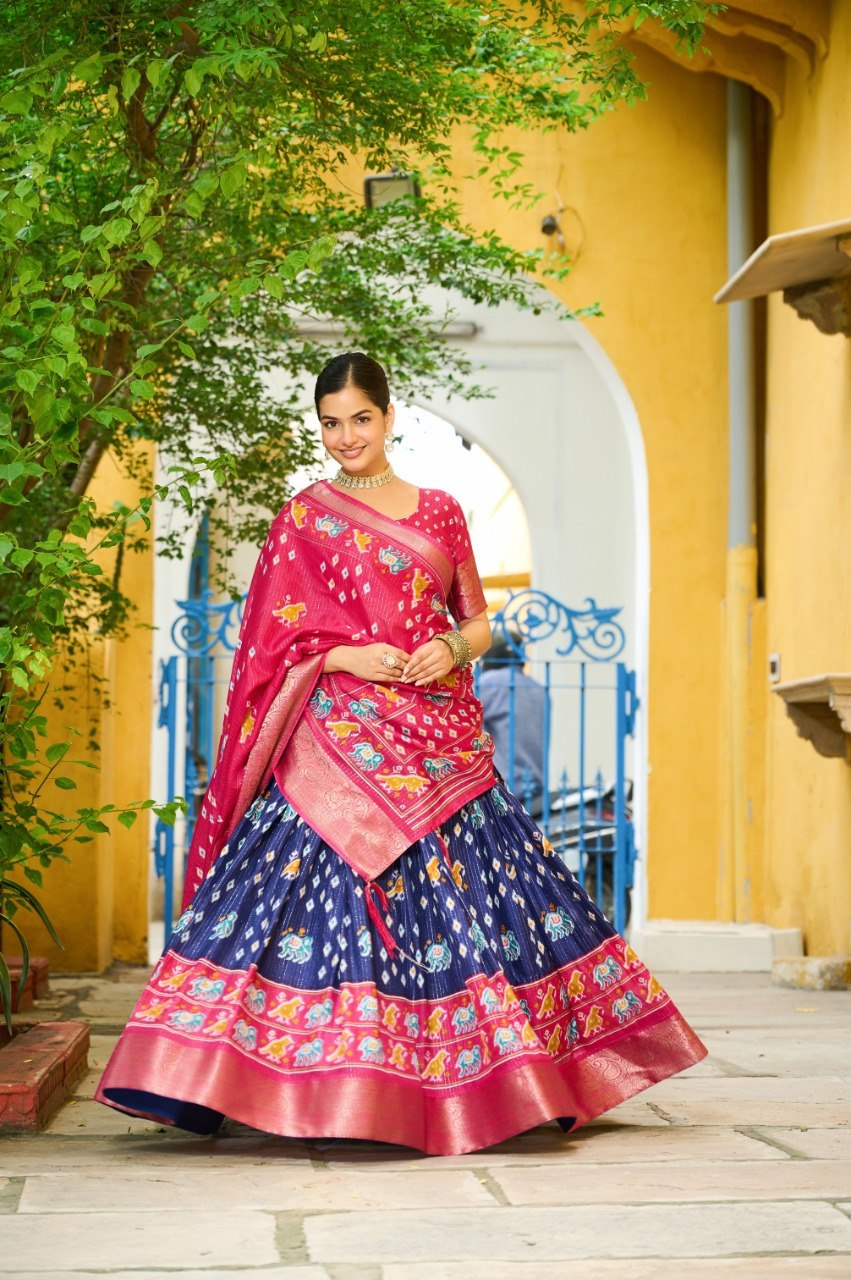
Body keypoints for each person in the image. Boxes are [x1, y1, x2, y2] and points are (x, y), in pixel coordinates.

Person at [97, 352, 706, 1155]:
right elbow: (269, 640)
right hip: (333, 734)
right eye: (330, 423)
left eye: (360, 419)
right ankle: (297, 1081)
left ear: (388, 417)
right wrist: (341, 656)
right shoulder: (303, 518)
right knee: (298, 889)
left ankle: (485, 1082)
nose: (345, 437)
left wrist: (449, 649)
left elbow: (478, 621)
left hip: (435, 736)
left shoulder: (441, 512)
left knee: (476, 899)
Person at [478, 631, 549, 806]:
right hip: (534, 785)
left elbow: (460, 719)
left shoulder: (488, 682)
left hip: (503, 788)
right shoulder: (538, 688)